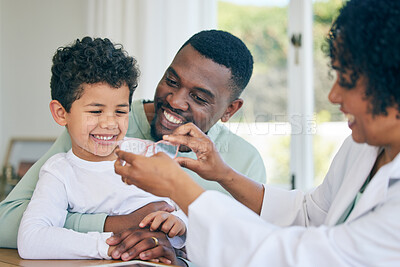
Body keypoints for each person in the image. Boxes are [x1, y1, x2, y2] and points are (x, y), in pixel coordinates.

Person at [113, 0, 400, 265]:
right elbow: (309, 216)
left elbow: (291, 256)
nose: (334, 96)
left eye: (348, 81)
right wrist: (223, 174)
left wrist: (178, 186)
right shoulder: (363, 146)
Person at [0, 30, 266, 263]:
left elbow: (245, 252)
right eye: (171, 81)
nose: (175, 101)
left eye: (198, 97)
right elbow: (8, 223)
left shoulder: (243, 162)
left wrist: (177, 249)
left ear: (230, 109)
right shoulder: (94, 135)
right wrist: (117, 227)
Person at [16, 37, 187, 264]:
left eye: (120, 111)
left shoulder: (150, 154)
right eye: (96, 111)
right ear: (61, 113)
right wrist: (113, 245)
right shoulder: (60, 172)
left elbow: (189, 216)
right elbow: (31, 239)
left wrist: (180, 225)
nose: (109, 123)